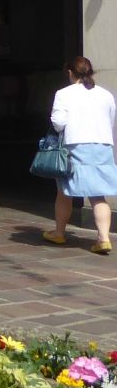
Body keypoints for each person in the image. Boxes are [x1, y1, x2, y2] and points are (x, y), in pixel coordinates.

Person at [44, 57, 117, 253]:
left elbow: (58, 123)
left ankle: (59, 233)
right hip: (102, 145)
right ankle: (103, 238)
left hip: (75, 145)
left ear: (70, 73)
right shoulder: (105, 94)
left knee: (64, 191)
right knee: (97, 194)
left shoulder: (64, 94)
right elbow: (110, 119)